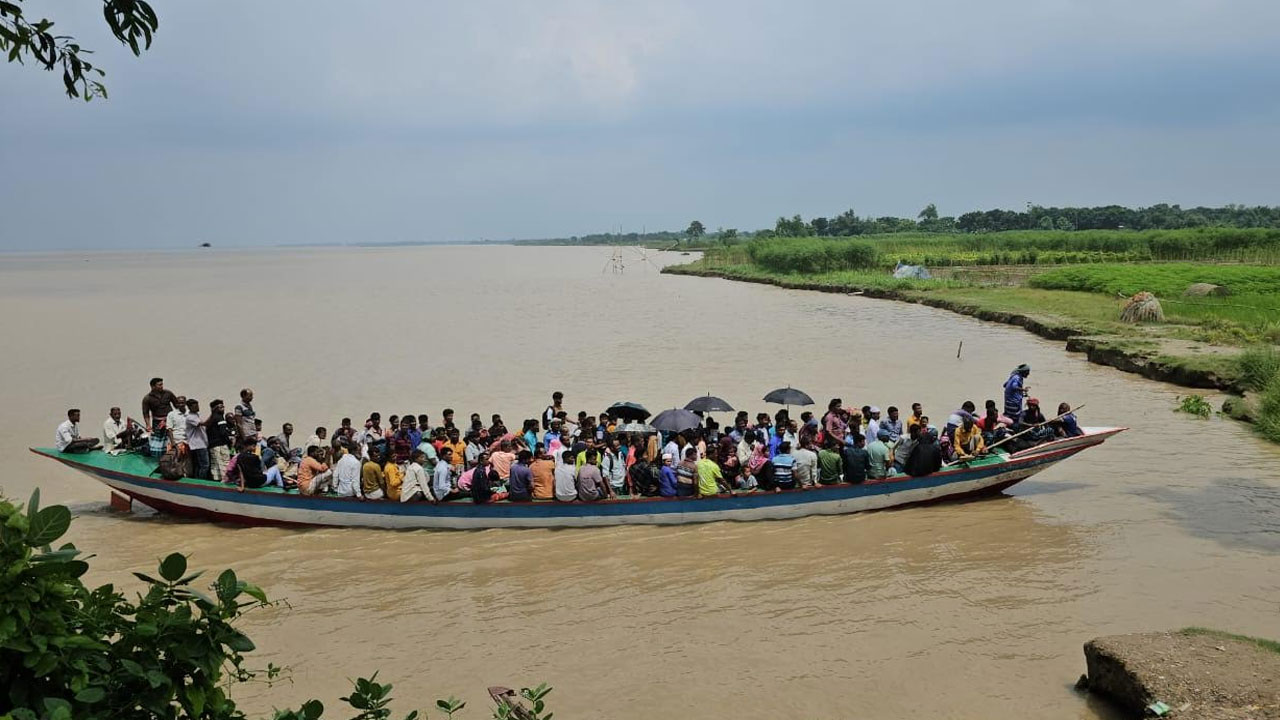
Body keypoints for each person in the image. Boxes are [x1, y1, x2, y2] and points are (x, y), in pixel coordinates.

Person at [206, 400, 233, 482]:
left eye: (223, 407)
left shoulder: (211, 419)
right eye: (220, 407)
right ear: (215, 408)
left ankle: (216, 479)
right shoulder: (220, 418)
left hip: (212, 445)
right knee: (224, 462)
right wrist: (229, 442)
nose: (223, 409)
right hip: (221, 444)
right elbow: (223, 432)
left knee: (215, 464)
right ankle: (225, 479)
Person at [184, 399, 210, 479]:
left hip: (201, 443)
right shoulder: (190, 417)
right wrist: (213, 414)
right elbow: (204, 423)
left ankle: (198, 478)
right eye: (195, 406)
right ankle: (201, 480)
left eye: (197, 405)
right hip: (198, 444)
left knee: (199, 465)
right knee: (205, 465)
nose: (197, 407)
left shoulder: (196, 415)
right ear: (190, 407)